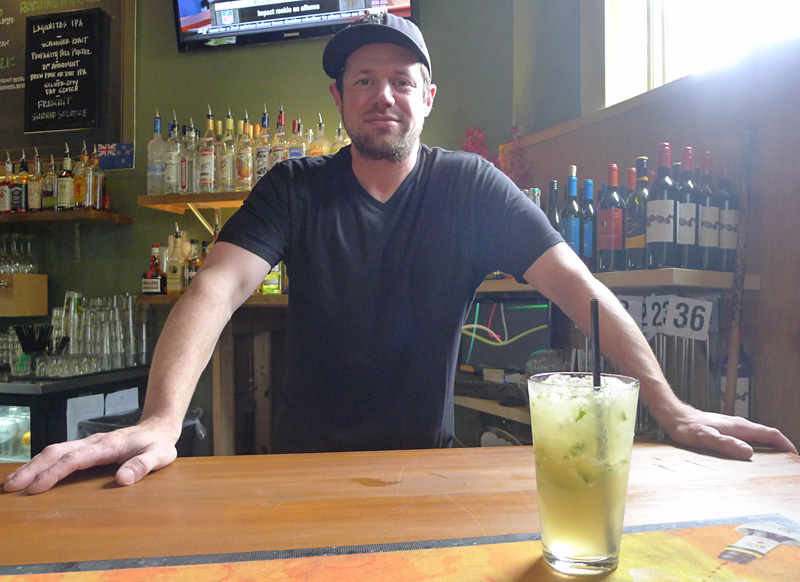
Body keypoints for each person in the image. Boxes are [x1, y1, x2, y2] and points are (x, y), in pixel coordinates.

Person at [5, 14, 795, 495]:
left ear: (427, 98)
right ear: (340, 99)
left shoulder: (472, 187)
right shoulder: (295, 186)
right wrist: (161, 420)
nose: (383, 95)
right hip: (299, 467)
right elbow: (214, 288)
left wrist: (671, 408)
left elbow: (582, 290)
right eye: (363, 81)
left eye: (401, 81)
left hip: (427, 463)